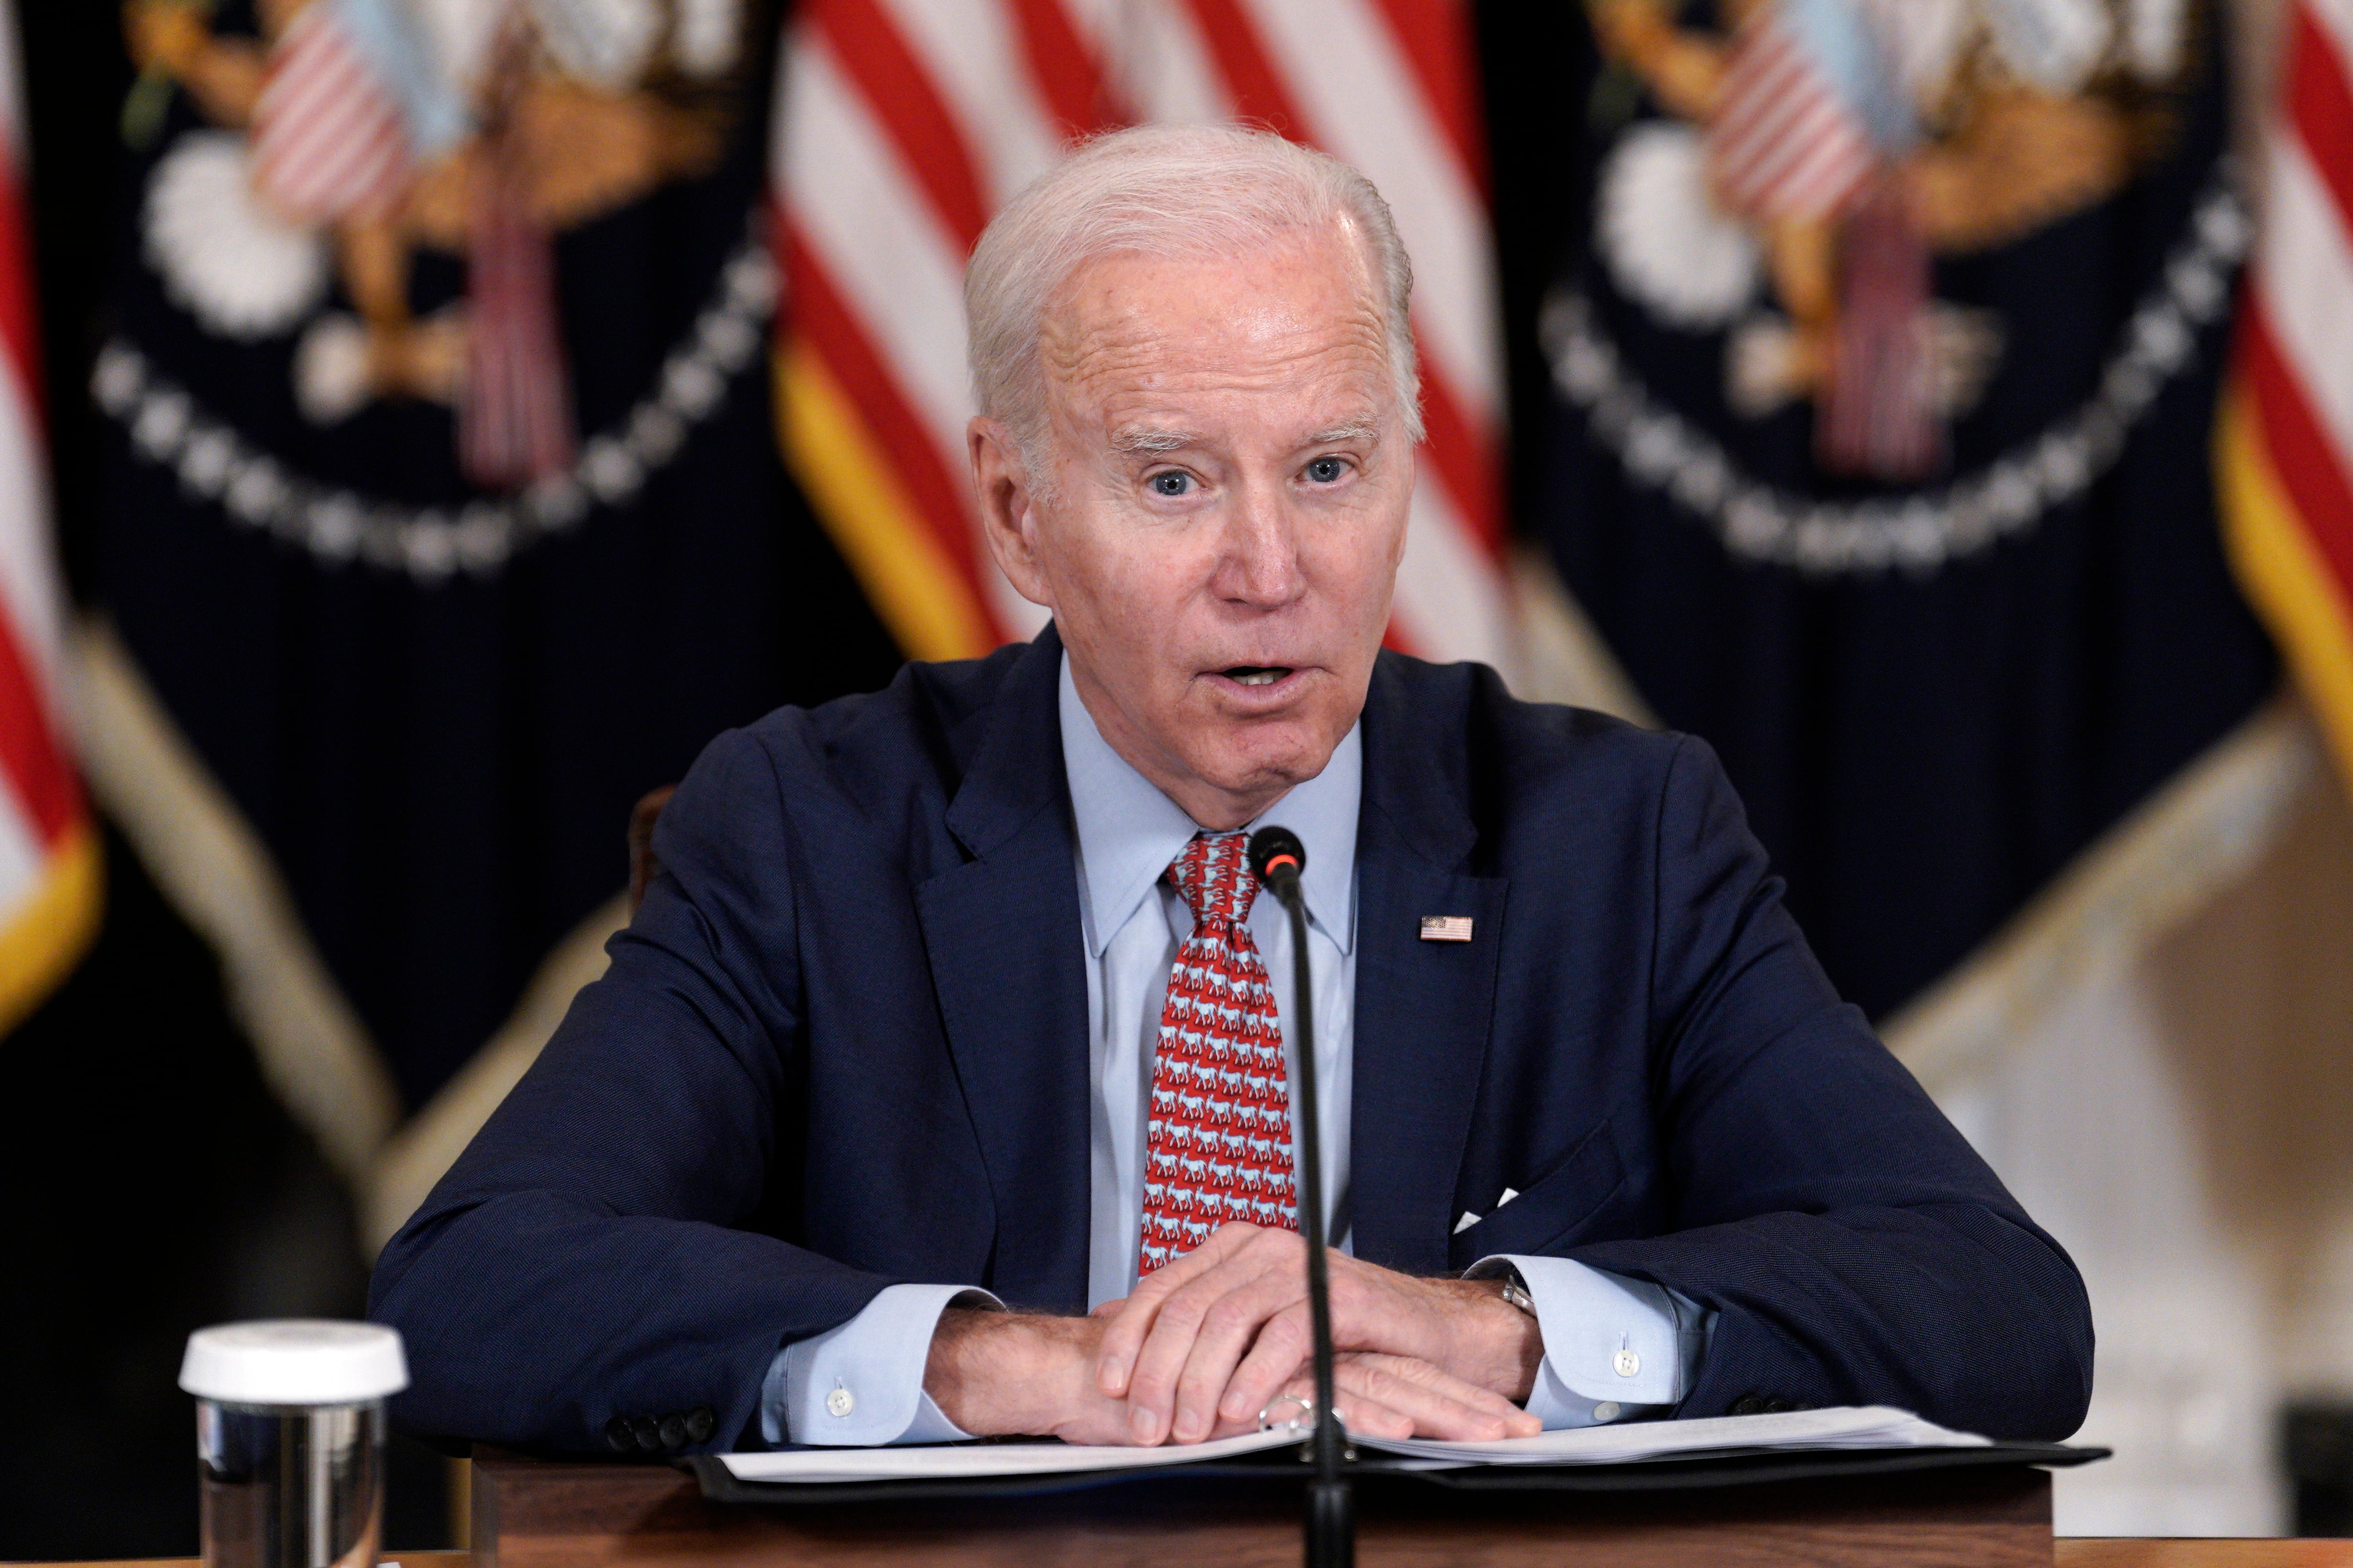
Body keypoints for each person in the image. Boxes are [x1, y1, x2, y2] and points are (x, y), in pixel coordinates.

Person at [369, 124, 2092, 1455]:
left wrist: (1495, 1331)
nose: (1273, 570)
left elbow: (2002, 1308)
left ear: (1410, 468)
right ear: (1020, 509)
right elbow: (471, 1286)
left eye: (1330, 469)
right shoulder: (813, 831)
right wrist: (1005, 1362)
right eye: (1177, 480)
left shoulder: (1615, 842)